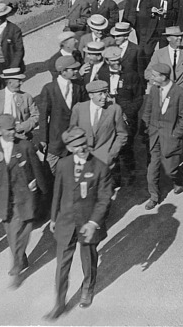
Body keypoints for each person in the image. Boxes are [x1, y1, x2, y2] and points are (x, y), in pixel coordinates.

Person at [44, 126, 112, 320]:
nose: (82, 149)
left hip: (88, 224)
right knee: (62, 265)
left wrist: (92, 222)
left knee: (88, 259)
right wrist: (53, 217)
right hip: (66, 222)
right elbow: (57, 191)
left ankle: (87, 289)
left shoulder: (100, 166)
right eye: (76, 146)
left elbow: (104, 199)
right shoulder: (64, 164)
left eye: (83, 144)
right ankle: (59, 303)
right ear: (69, 147)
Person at [0, 114, 48, 286]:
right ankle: (21, 258)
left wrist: (44, 194)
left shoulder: (25, 146)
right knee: (11, 233)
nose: (13, 132)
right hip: (3, 200)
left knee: (23, 230)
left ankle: (17, 264)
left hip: (25, 196)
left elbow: (37, 170)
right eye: (9, 130)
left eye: (14, 129)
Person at [141, 62, 183, 209]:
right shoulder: (154, 90)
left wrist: (176, 134)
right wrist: (146, 128)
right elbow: (148, 110)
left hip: (170, 137)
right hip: (154, 135)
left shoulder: (180, 93)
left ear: (163, 77)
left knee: (171, 170)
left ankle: (177, 180)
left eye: (155, 75)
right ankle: (154, 196)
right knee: (152, 170)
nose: (151, 77)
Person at [39, 56, 87, 175]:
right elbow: (43, 116)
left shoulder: (79, 86)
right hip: (55, 139)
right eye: (73, 69)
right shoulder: (49, 89)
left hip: (75, 138)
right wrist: (43, 139)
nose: (76, 71)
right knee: (50, 171)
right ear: (63, 71)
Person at [103, 46, 144, 185]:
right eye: (113, 61)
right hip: (109, 119)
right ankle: (116, 177)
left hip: (127, 119)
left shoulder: (131, 75)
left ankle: (131, 173)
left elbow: (139, 98)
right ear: (106, 61)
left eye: (118, 59)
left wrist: (128, 114)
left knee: (127, 147)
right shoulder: (102, 74)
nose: (117, 63)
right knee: (111, 146)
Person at [69, 80, 127, 172]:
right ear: (91, 95)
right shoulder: (79, 108)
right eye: (100, 94)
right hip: (84, 161)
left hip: (105, 163)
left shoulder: (114, 109)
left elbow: (122, 134)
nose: (104, 97)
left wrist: (111, 155)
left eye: (105, 93)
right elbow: (72, 133)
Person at [0, 68, 39, 141]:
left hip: (21, 135)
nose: (21, 83)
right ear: (10, 83)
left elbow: (36, 116)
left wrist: (23, 126)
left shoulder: (26, 97)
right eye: (19, 81)